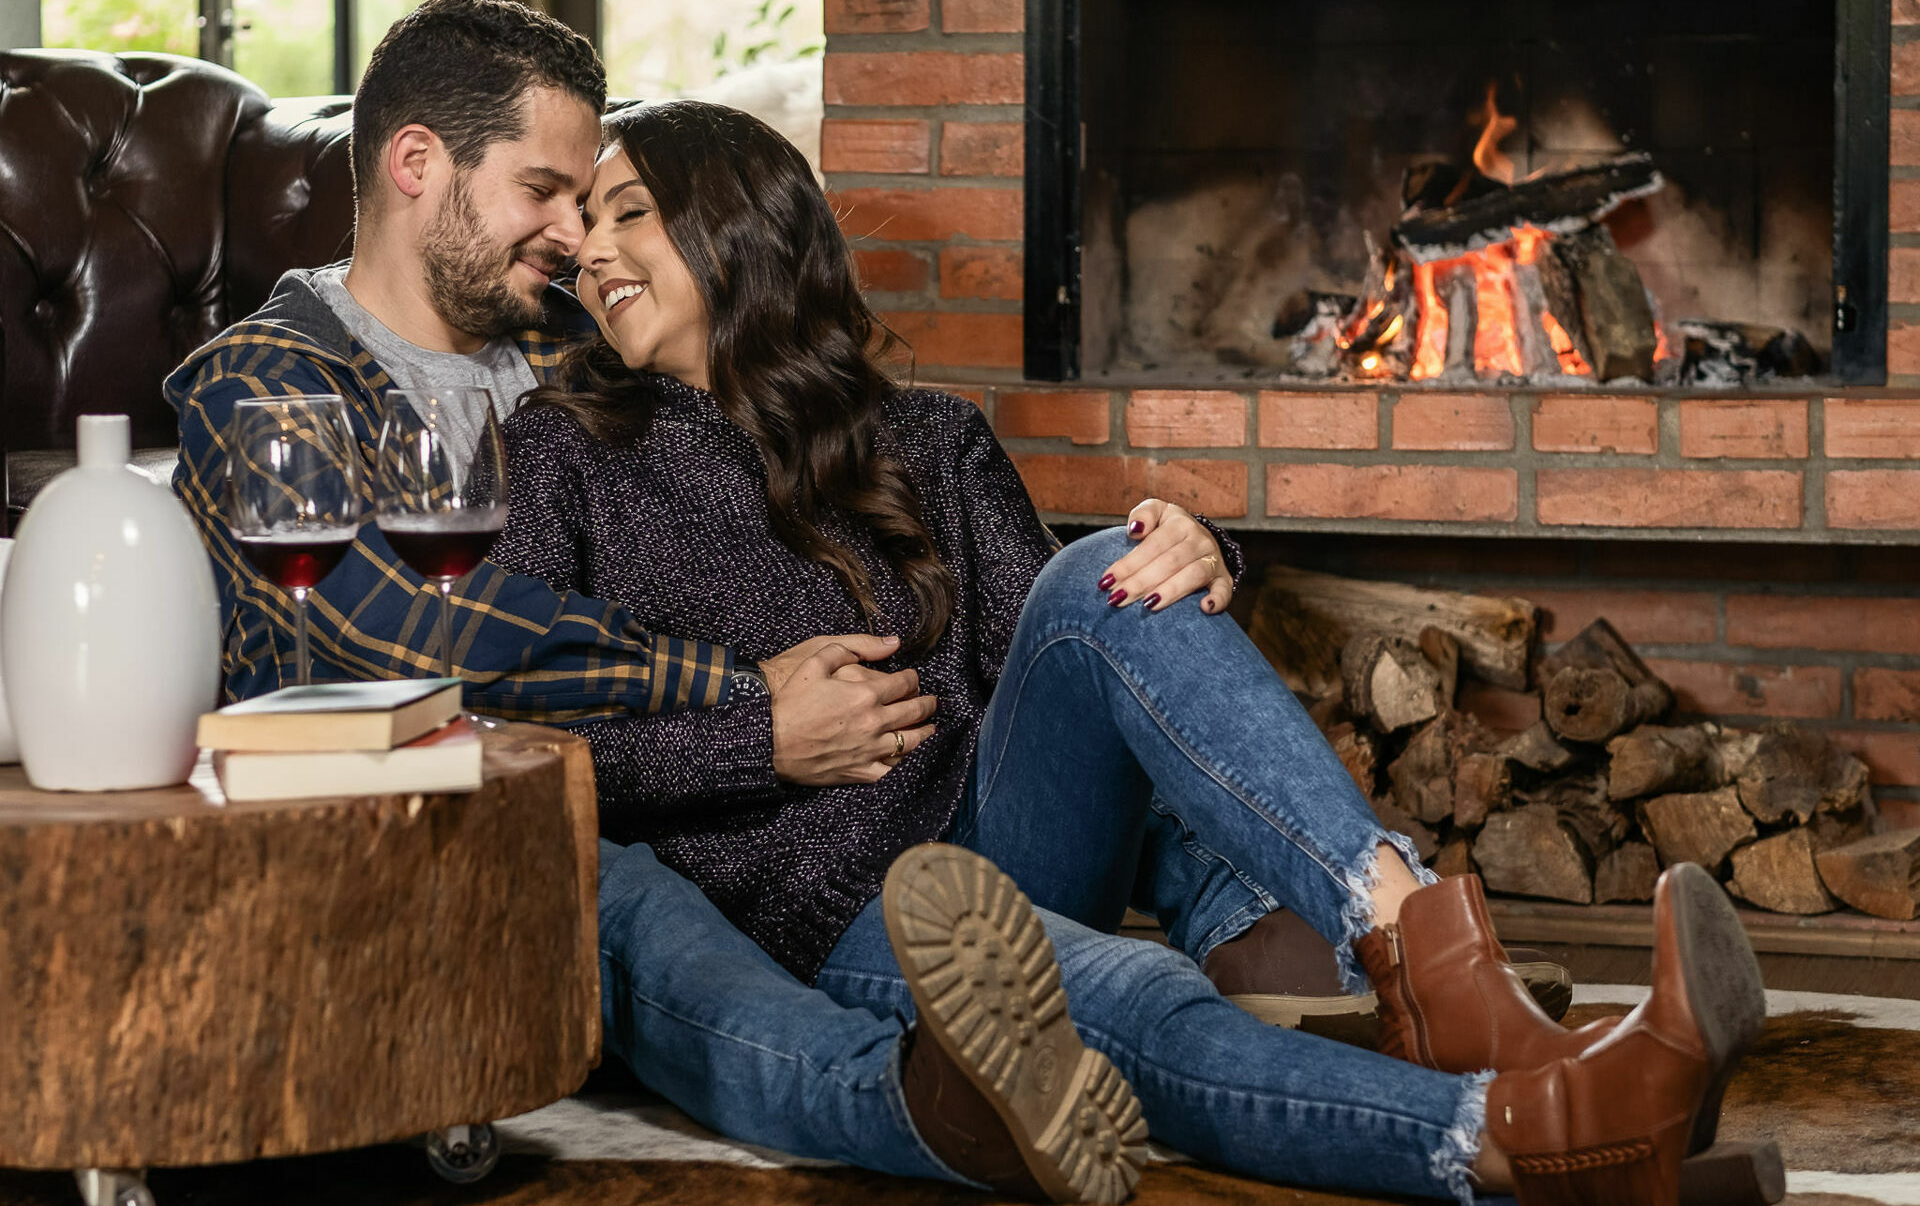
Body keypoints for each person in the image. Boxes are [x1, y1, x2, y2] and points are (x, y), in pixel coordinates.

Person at [487, 97, 1774, 1206]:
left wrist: (1188, 553)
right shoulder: (564, 452)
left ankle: (1419, 945)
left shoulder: (926, 437)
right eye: (584, 223)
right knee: (1129, 994)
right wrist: (756, 734)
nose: (586, 249)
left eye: (628, 213)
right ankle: (1530, 1136)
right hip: (821, 908)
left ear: (734, 224)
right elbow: (524, 730)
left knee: (1111, 565)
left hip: (998, 831)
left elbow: (1076, 642)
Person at [164, 0, 1157, 1204]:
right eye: (547, 190)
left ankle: (1013, 1046)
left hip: (617, 802)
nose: (576, 234)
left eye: (592, 203)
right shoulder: (263, 382)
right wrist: (736, 695)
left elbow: (775, 475)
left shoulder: (572, 362)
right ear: (418, 162)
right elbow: (382, 627)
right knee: (610, 871)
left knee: (625, 850)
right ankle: (936, 1103)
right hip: (392, 847)